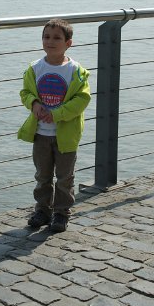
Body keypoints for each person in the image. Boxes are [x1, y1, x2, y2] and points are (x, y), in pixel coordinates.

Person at [18, 18, 91, 232]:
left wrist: (57, 114)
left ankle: (61, 213)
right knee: (42, 176)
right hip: (40, 133)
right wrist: (34, 103)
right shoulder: (35, 68)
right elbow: (25, 92)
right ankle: (42, 210)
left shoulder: (76, 71)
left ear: (68, 43)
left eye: (57, 38)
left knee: (65, 177)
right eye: (46, 37)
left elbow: (82, 99)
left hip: (66, 135)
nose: (50, 41)